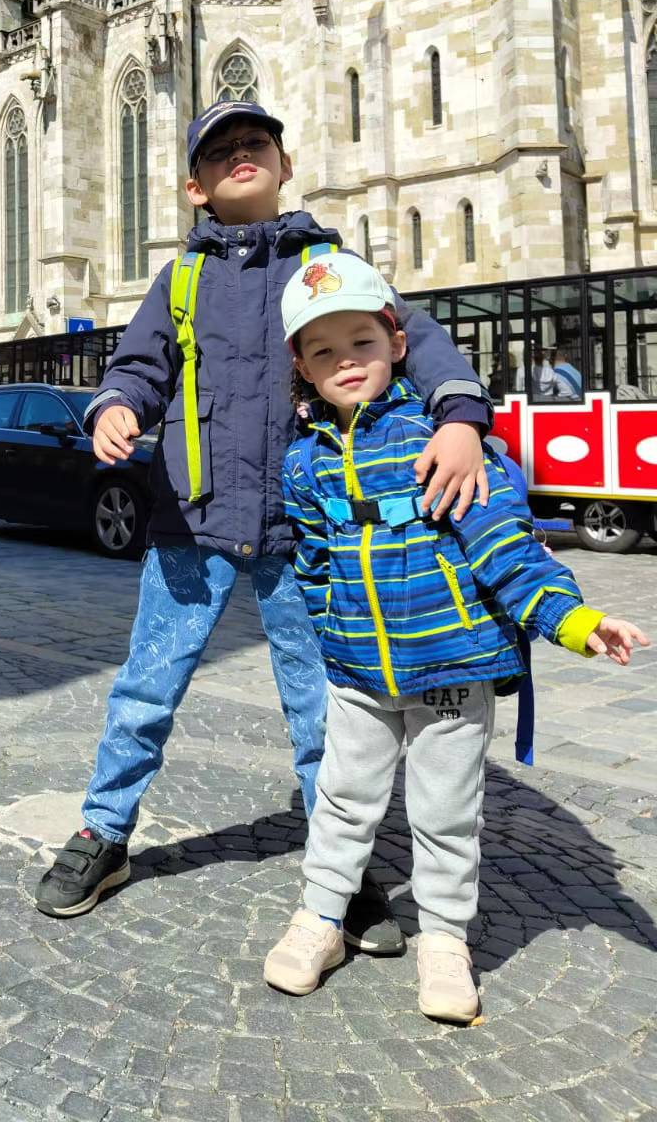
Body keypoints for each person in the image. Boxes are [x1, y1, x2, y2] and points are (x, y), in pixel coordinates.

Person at [33, 100, 494, 949]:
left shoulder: (328, 265)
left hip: (304, 525)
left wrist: (460, 418)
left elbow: (415, 340)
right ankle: (105, 832)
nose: (240, 154)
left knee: (324, 709)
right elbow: (138, 366)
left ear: (286, 165)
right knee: (146, 691)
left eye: (255, 143)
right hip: (190, 520)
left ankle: (341, 866)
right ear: (195, 188)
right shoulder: (180, 279)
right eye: (220, 151)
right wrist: (117, 406)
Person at [264, 252, 648, 1021]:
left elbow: (506, 546)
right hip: (358, 672)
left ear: (397, 343)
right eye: (324, 351)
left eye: (362, 342)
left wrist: (573, 621)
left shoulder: (442, 439)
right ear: (302, 368)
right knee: (342, 801)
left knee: (443, 813)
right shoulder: (303, 461)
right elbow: (312, 561)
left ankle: (444, 941)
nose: (346, 361)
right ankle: (320, 919)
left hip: (451, 668)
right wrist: (331, 631)